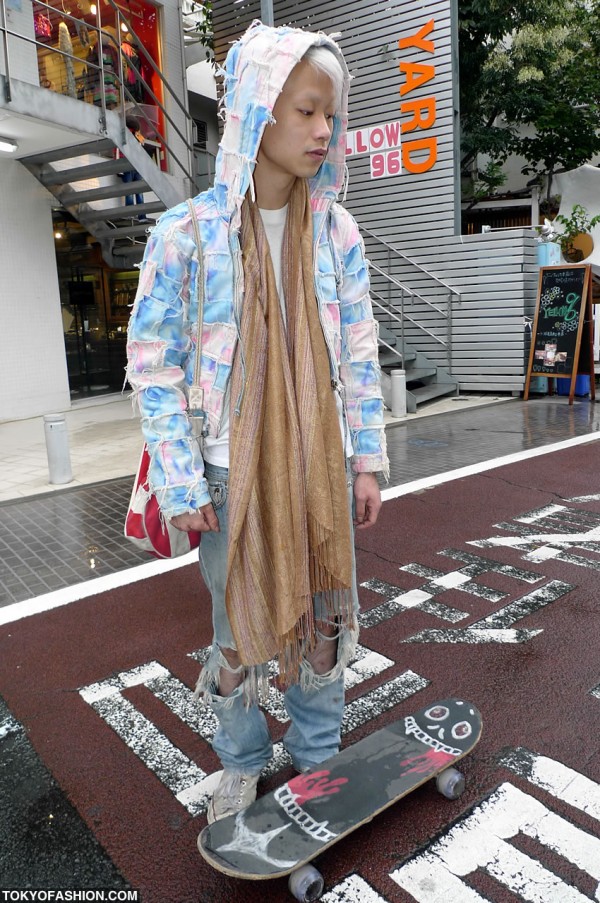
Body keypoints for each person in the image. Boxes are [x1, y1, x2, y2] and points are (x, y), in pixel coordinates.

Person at [125, 20, 389, 826]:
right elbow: (153, 363)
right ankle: (241, 762)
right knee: (238, 628)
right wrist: (176, 480)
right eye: (306, 111)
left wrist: (367, 457)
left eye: (329, 116)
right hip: (224, 467)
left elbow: (359, 348)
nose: (322, 130)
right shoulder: (189, 234)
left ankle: (315, 754)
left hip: (321, 460)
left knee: (324, 618)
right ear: (255, 111)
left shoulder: (337, 231)